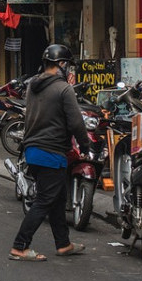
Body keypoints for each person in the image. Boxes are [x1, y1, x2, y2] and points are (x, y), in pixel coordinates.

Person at [9, 43, 90, 262]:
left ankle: (63, 244)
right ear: (61, 64)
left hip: (33, 151)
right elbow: (76, 122)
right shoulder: (64, 89)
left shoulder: (32, 87)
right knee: (45, 200)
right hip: (51, 152)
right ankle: (20, 246)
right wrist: (86, 146)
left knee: (57, 198)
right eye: (67, 65)